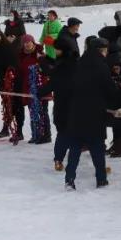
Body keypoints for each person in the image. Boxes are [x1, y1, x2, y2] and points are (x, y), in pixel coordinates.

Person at [65, 38, 121, 191]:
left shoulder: (79, 63)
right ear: (101, 50)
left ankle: (69, 178)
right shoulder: (101, 66)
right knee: (97, 147)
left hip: (76, 111)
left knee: (75, 147)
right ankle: (101, 179)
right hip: (95, 112)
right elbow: (110, 90)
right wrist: (120, 88)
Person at [40, 28, 80, 170]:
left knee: (63, 132)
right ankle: (96, 163)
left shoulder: (64, 65)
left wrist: (39, 93)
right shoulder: (74, 62)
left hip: (64, 104)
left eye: (56, 49)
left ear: (62, 50)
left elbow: (53, 81)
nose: (55, 51)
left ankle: (59, 159)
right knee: (76, 132)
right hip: (76, 104)